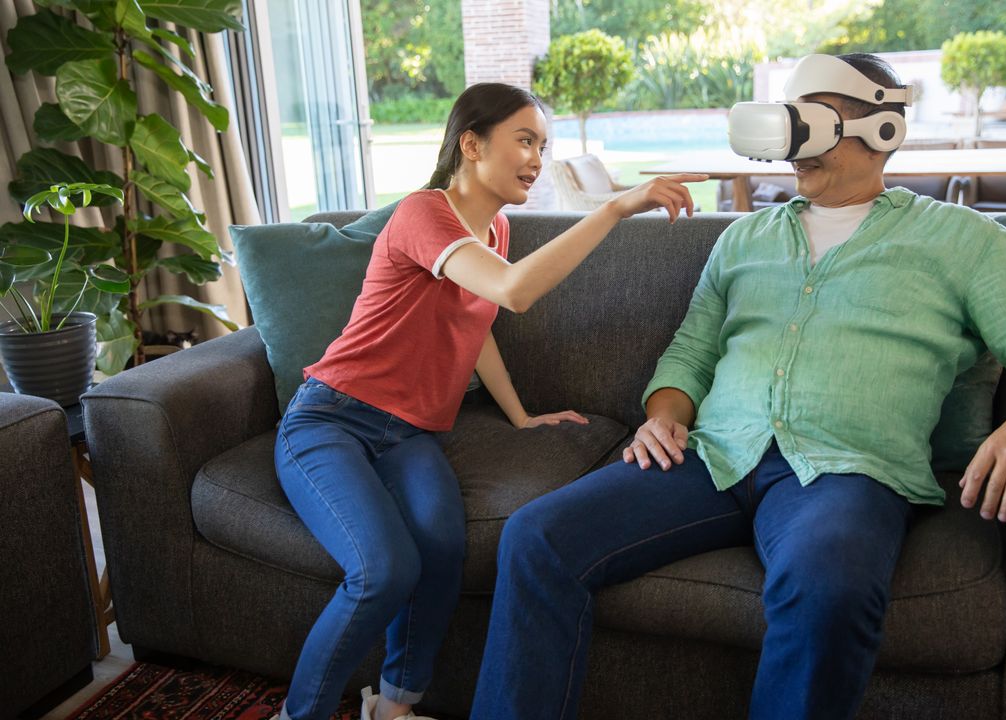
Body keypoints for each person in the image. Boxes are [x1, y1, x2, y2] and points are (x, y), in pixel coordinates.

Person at [468, 54, 1006, 720]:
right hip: (710, 456)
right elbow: (692, 352)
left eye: (814, 123)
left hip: (847, 470)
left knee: (828, 584)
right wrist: (664, 414)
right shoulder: (744, 237)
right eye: (790, 125)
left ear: (882, 130)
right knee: (535, 537)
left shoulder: (959, 238)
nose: (795, 145)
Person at [270, 82, 705, 720]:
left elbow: (475, 325)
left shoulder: (494, 226)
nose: (536, 157)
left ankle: (392, 707)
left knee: (444, 550)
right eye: (524, 140)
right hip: (330, 418)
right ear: (471, 145)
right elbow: (512, 293)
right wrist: (615, 208)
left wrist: (521, 414)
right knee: (385, 570)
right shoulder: (423, 213)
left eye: (543, 144)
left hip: (408, 434)